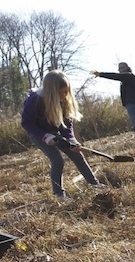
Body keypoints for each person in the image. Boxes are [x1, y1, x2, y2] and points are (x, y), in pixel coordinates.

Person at [20, 70, 102, 198]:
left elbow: (66, 125)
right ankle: (59, 195)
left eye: (66, 92)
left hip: (55, 132)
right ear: (50, 92)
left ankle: (94, 184)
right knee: (57, 160)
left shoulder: (64, 101)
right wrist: (46, 137)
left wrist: (72, 141)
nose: (64, 95)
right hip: (38, 133)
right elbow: (27, 123)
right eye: (60, 93)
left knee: (77, 155)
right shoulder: (34, 101)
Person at [92, 62, 135, 146]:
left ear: (127, 67)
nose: (120, 69)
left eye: (122, 67)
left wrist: (101, 74)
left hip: (132, 102)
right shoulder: (125, 79)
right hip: (131, 102)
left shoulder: (128, 75)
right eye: (119, 68)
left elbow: (115, 76)